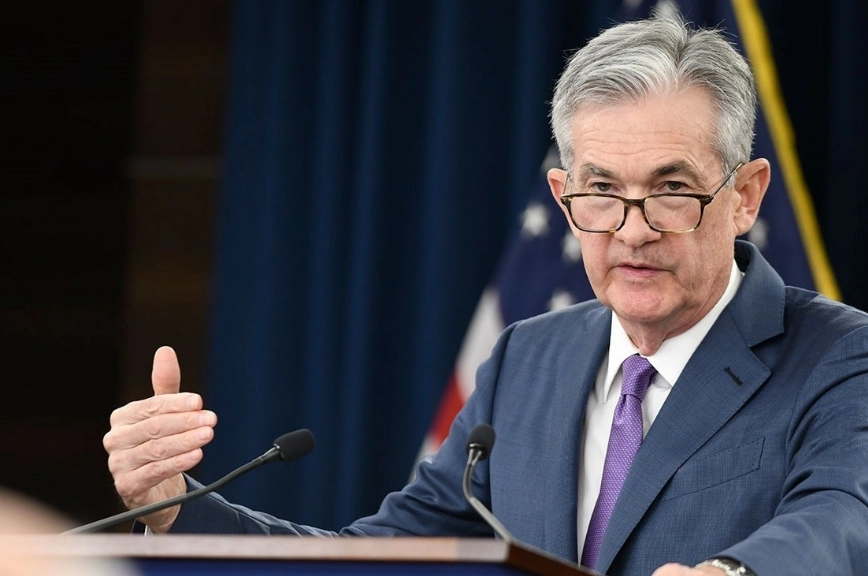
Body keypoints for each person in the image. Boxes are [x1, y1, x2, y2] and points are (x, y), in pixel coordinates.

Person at [102, 13, 868, 576]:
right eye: (601, 191)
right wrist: (176, 505)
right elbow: (382, 563)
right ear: (563, 195)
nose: (632, 231)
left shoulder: (839, 355)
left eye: (671, 190)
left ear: (744, 196)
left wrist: (734, 575)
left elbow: (842, 517)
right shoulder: (527, 359)